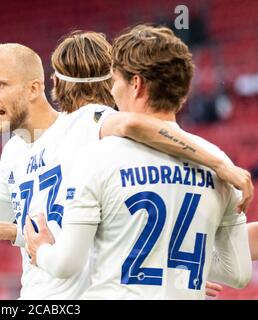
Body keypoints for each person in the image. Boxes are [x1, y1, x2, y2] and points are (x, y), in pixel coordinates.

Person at [0, 35, 253, 299]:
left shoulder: (86, 125)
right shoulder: (15, 155)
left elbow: (134, 123)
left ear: (40, 87)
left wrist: (220, 162)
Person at [24, 25, 253, 299]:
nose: (111, 88)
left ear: (136, 84)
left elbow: (66, 263)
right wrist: (174, 265)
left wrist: (42, 251)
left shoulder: (97, 155)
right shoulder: (219, 162)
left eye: (115, 79)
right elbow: (237, 272)